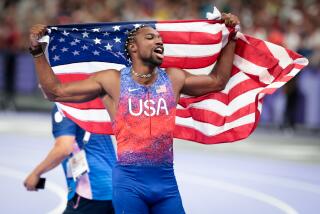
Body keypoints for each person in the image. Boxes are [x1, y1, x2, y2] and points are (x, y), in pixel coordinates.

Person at [28, 13, 239, 213]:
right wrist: (38, 52)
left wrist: (231, 39)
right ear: (133, 47)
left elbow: (218, 81)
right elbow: (55, 91)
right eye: (150, 37)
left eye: (160, 38)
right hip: (129, 183)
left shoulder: (174, 78)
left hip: (166, 182)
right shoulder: (112, 81)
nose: (159, 42)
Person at [24, 104, 116, 214]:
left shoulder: (64, 108)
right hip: (115, 187)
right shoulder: (93, 103)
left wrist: (36, 173)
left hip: (92, 191)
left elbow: (63, 148)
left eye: (42, 84)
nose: (40, 86)